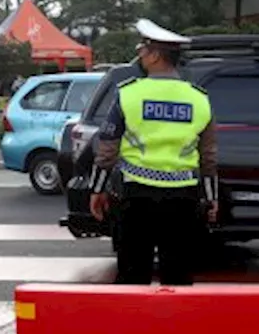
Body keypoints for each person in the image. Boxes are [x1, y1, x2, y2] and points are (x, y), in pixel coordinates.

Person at [88, 19, 218, 286]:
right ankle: (174, 326)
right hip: (183, 198)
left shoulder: (129, 94)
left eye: (143, 49)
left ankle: (133, 326)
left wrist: (97, 189)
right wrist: (211, 198)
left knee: (133, 275)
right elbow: (208, 157)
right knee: (178, 276)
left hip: (135, 197)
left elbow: (108, 147)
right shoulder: (199, 98)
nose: (139, 54)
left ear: (156, 55)